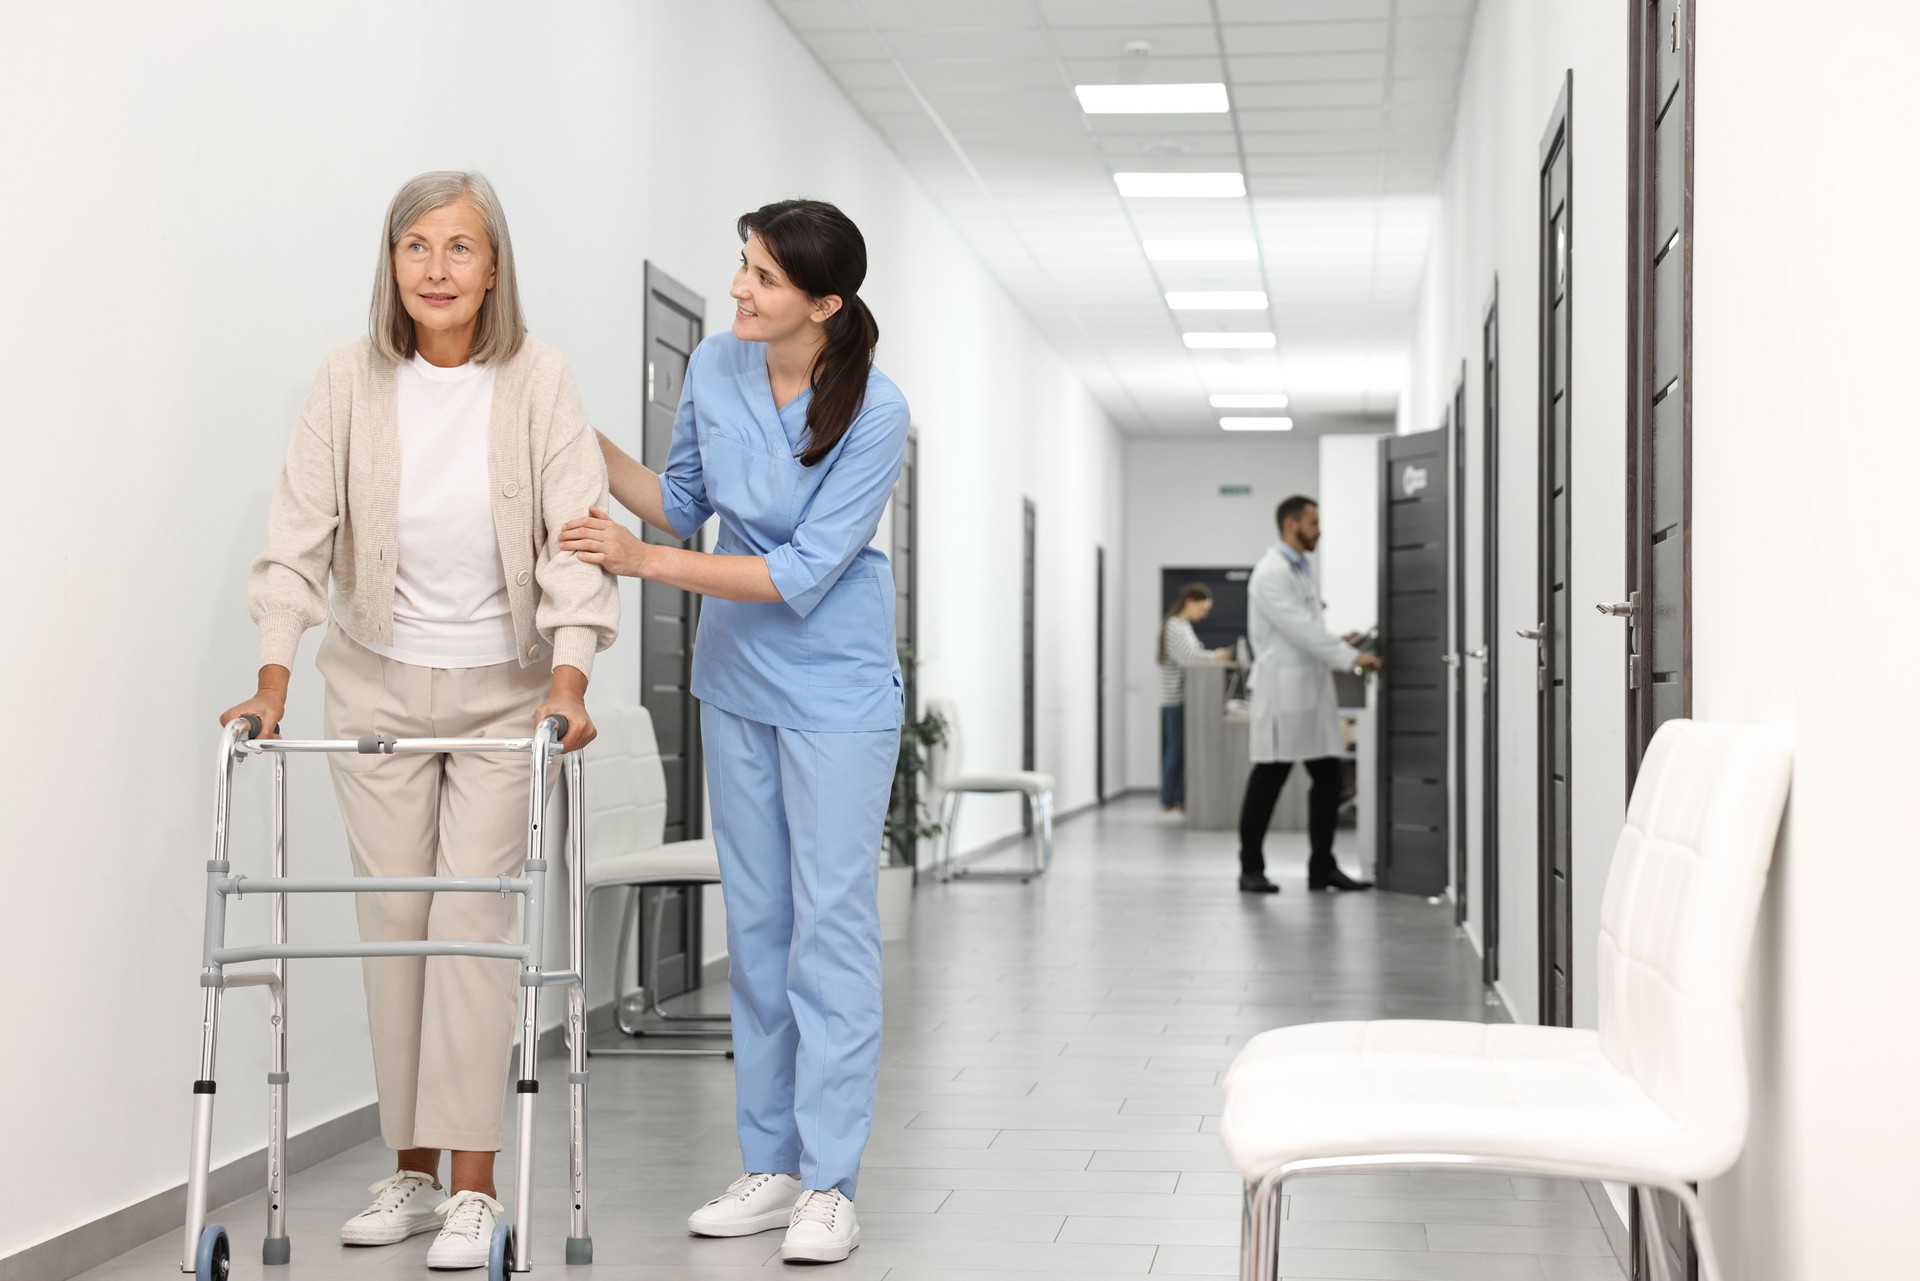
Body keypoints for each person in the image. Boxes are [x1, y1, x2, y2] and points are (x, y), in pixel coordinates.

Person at [219, 171, 617, 1270]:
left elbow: (574, 541)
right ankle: (412, 1170)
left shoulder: (539, 381)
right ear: (391, 264)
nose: (436, 270)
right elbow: (298, 536)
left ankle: (476, 1187)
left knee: (472, 926)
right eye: (416, 248)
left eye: (460, 248)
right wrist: (273, 679)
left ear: (495, 269)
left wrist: (570, 681)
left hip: (503, 691)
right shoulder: (349, 380)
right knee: (395, 926)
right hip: (380, 686)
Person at [558, 199, 908, 1265]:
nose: (740, 290)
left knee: (830, 929)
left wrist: (643, 563)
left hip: (838, 691)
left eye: (761, 277)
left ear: (825, 303)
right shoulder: (714, 365)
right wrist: (570, 432)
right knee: (755, 934)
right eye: (742, 267)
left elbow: (800, 576)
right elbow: (683, 498)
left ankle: (832, 1184)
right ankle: (772, 1162)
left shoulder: (876, 411)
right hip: (737, 684)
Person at [1237, 495, 1381, 894]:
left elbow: (1304, 630)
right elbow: (1298, 629)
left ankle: (1322, 867)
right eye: (1313, 523)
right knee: (1269, 778)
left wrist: (1339, 642)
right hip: (1282, 692)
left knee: (1328, 779)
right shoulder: (1270, 573)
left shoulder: (1298, 569)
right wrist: (1352, 656)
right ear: (1290, 525)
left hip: (1309, 687)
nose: (1319, 531)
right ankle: (1250, 868)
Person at [1157, 584, 1233, 811]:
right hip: (1175, 699)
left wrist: (1211, 655)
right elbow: (1190, 657)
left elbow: (1195, 653)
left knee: (1181, 750)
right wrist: (1215, 656)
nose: (1205, 614)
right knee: (1176, 750)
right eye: (1203, 608)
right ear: (1190, 601)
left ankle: (1179, 797)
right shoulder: (1175, 626)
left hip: (1183, 699)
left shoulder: (1183, 626)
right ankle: (1169, 798)